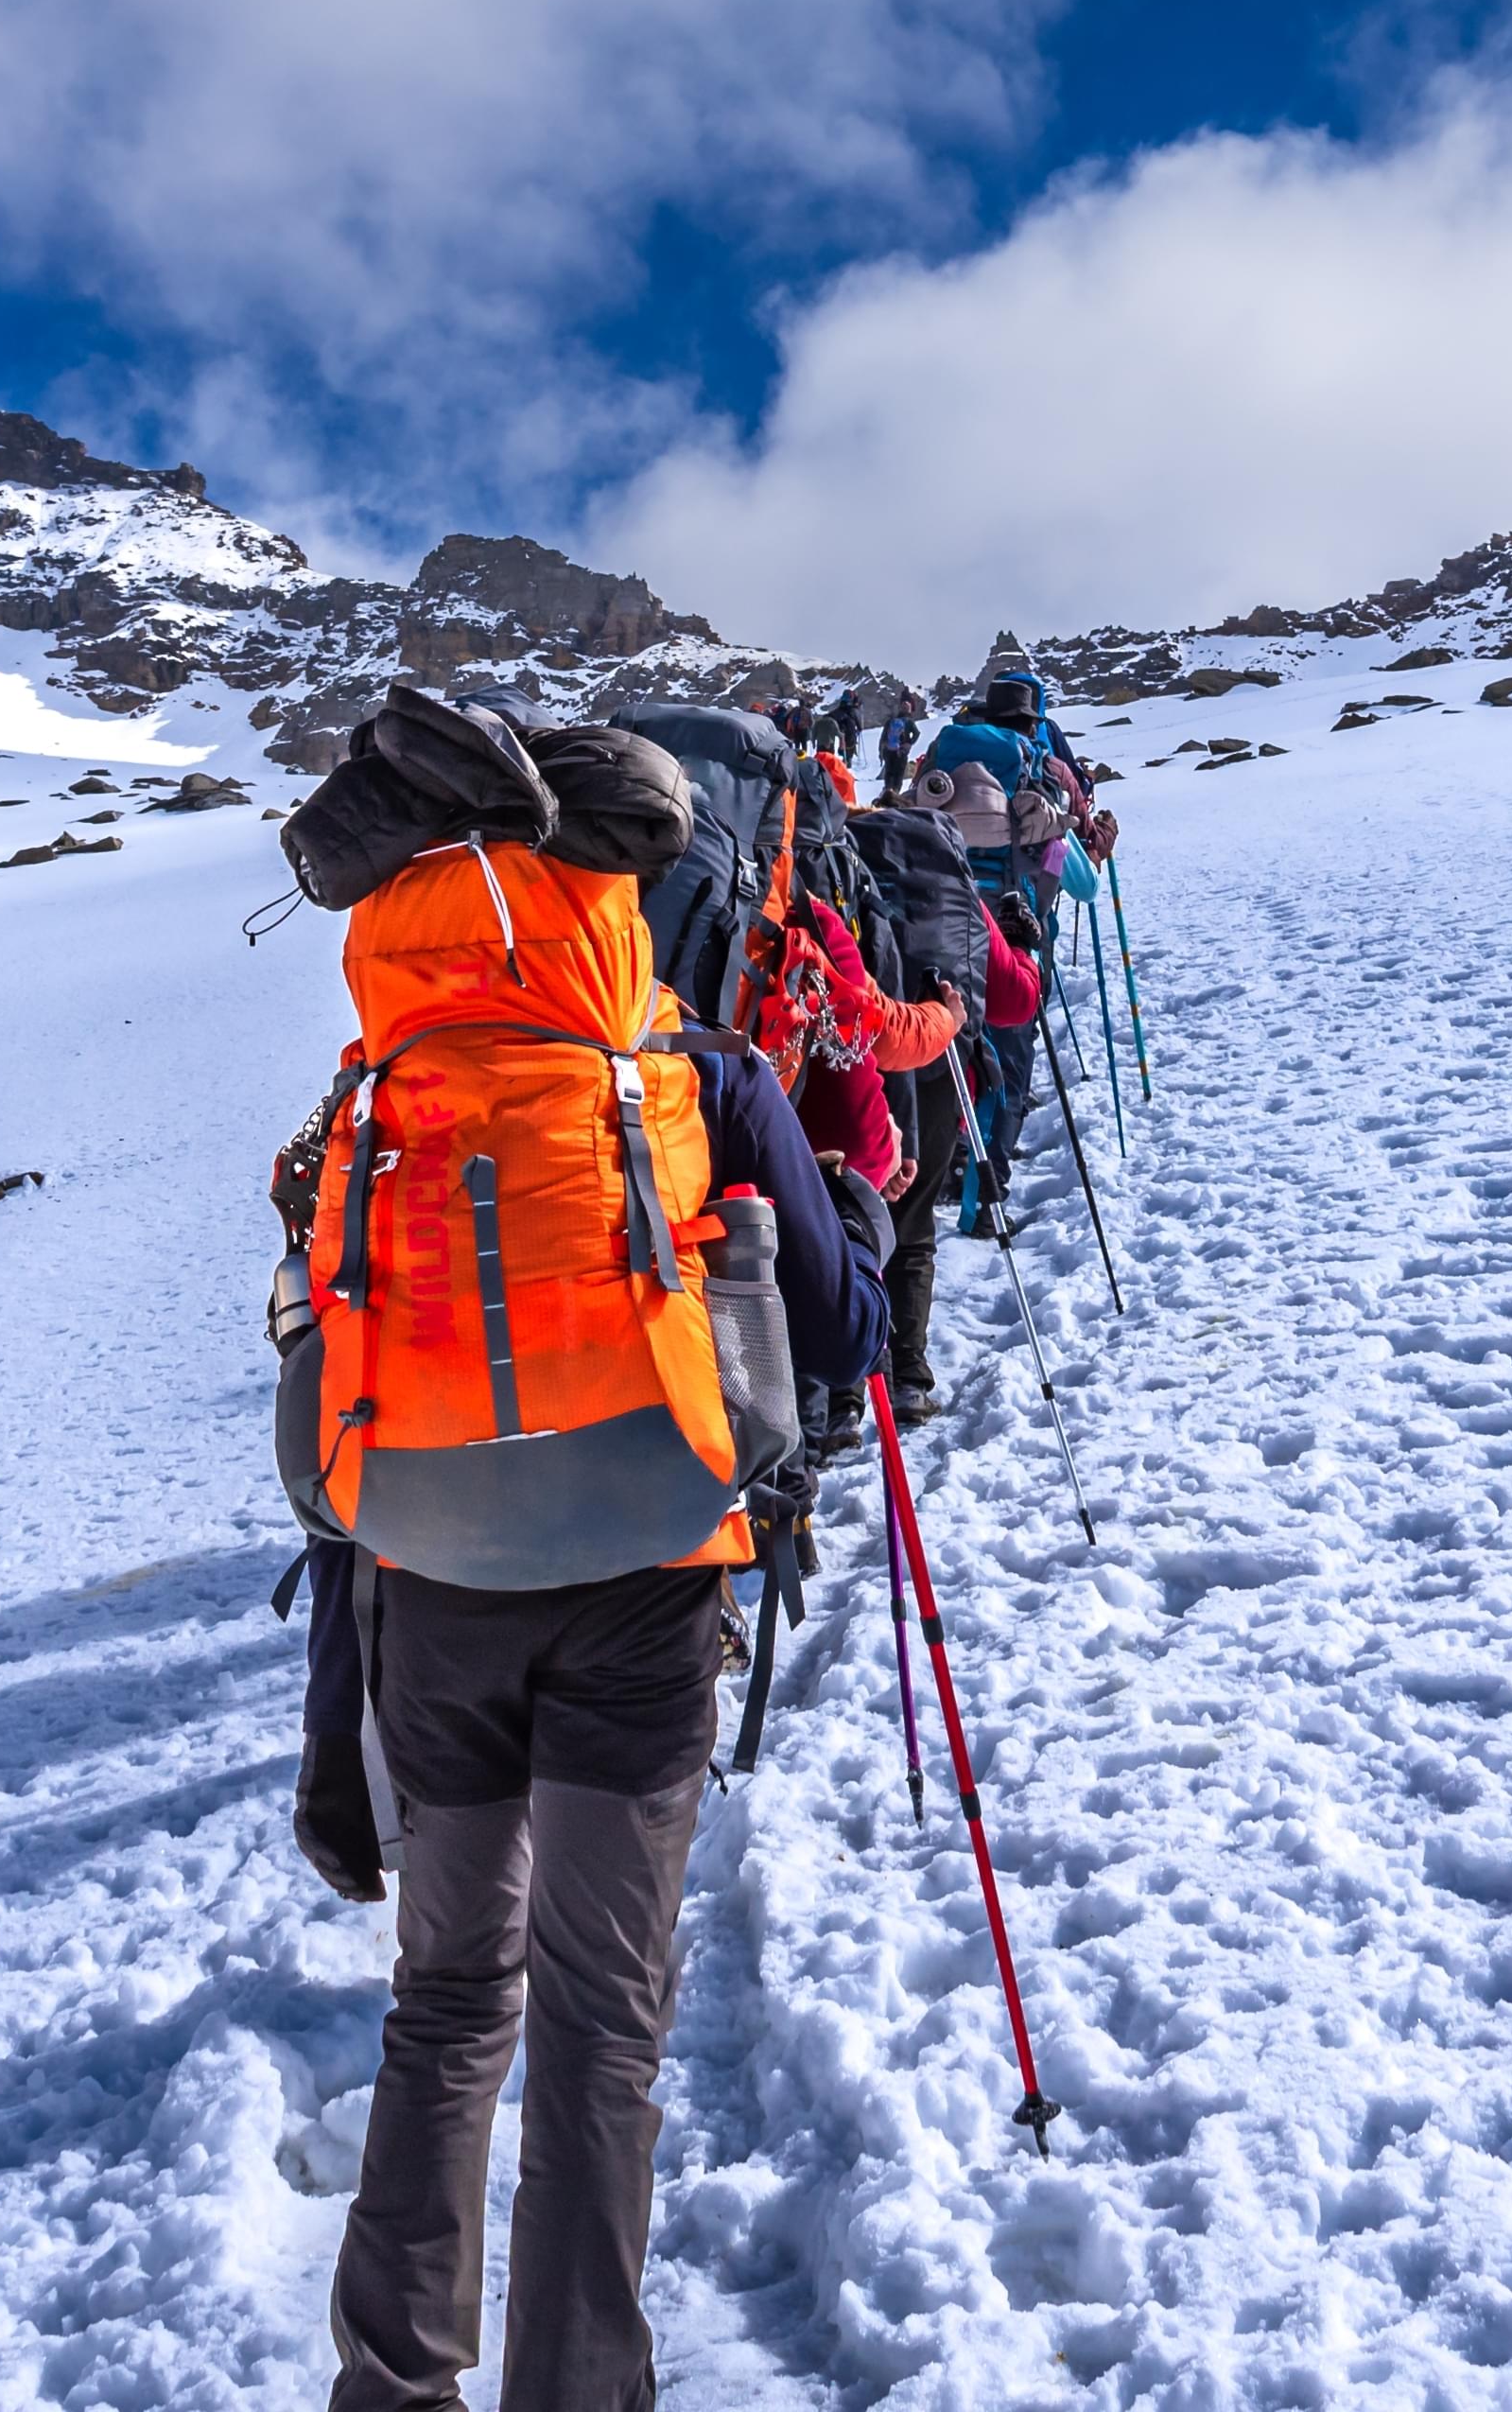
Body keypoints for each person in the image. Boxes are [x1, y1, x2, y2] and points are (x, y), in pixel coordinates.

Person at [301, 767, 884, 2412]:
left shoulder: (381, 1083)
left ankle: (393, 2386)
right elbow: (838, 1334)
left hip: (430, 1583)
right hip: (639, 1580)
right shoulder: (693, 1070)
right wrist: (830, 1208)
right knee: (601, 2023)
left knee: (449, 1999)